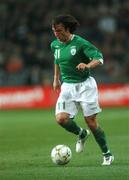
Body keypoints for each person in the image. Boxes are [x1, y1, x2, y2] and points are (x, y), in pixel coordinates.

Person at [51, 14, 114, 165]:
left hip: (85, 86)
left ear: (67, 29)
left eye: (59, 30)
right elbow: (56, 60)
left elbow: (99, 58)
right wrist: (55, 78)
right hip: (67, 86)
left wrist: (87, 65)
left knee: (91, 122)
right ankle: (81, 134)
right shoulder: (55, 45)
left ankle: (107, 154)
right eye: (54, 31)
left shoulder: (80, 43)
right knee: (61, 119)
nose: (56, 34)